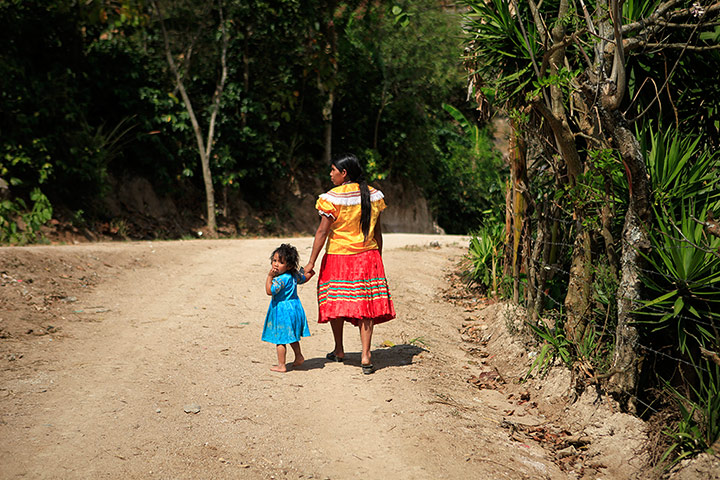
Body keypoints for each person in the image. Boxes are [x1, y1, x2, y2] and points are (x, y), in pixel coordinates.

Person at [304, 153, 395, 375]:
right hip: (368, 257)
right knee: (366, 307)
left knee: (337, 302)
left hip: (339, 257)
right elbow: (378, 232)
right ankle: (365, 355)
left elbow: (322, 232)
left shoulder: (332, 198)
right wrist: (377, 258)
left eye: (333, 170)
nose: (330, 174)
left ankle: (339, 349)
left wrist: (310, 263)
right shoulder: (374, 195)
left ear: (344, 173)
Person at [262, 244, 314, 372]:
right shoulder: (293, 275)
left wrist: (269, 277)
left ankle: (281, 365)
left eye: (280, 262)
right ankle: (299, 356)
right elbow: (303, 279)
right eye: (274, 261)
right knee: (291, 335)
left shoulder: (279, 280)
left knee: (280, 339)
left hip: (282, 310)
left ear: (289, 266)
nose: (275, 264)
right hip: (294, 307)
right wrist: (310, 273)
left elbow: (270, 291)